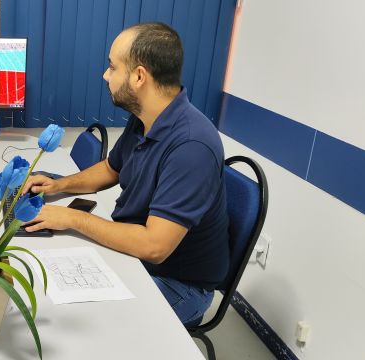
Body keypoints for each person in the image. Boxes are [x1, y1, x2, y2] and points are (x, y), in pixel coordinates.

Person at [22, 22, 229, 326]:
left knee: (80, 322)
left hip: (177, 284)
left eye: (112, 67)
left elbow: (153, 246)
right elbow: (111, 168)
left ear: (139, 76)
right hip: (139, 259)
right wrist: (58, 185)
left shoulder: (191, 146)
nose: (106, 75)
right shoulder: (146, 117)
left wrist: (73, 218)